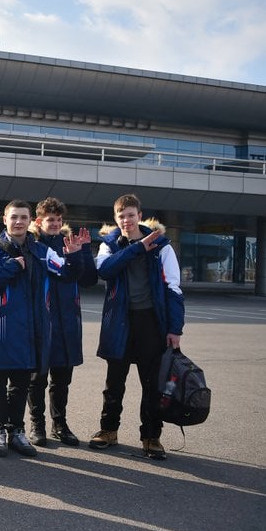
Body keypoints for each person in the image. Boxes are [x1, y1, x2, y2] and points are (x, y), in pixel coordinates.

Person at [0, 200, 85, 458]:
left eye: (23, 217)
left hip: (31, 332)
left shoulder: (40, 250)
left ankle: (16, 430)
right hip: (1, 330)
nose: (18, 222)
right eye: (13, 217)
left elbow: (67, 274)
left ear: (30, 221)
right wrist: (11, 267)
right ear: (5, 220)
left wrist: (74, 255)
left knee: (21, 385)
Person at [89, 193, 185, 460]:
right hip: (119, 322)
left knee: (152, 384)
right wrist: (137, 248)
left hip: (151, 323)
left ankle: (151, 437)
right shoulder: (109, 244)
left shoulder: (163, 246)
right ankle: (108, 431)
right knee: (114, 383)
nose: (126, 220)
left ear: (140, 216)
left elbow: (174, 289)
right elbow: (105, 270)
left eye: (130, 215)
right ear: (115, 218)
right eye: (121, 216)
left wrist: (175, 329)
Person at [26, 198, 98, 447]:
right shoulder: (32, 246)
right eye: (50, 220)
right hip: (41, 321)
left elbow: (89, 279)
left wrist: (84, 250)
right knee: (38, 378)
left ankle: (60, 423)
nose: (55, 224)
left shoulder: (71, 243)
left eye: (58, 220)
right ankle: (37, 424)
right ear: (39, 221)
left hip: (67, 321)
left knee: (62, 379)